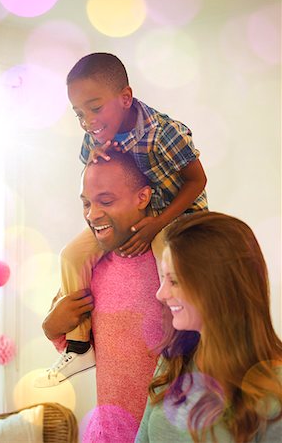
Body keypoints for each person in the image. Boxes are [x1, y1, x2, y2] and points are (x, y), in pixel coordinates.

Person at [36, 52, 208, 387]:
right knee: (71, 255)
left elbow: (196, 181)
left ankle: (182, 343)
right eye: (79, 113)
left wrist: (158, 223)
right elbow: (94, 185)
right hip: (130, 215)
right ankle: (79, 344)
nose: (87, 121)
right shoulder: (93, 138)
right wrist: (95, 162)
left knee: (164, 256)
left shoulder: (162, 132)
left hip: (177, 214)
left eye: (95, 108)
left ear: (125, 98)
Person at [36, 152, 164, 442]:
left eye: (105, 201)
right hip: (108, 434)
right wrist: (52, 328)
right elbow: (81, 347)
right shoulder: (91, 269)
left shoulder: (169, 267)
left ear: (142, 197)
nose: (92, 214)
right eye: (85, 203)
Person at [135, 212, 282, 443]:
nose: (160, 293)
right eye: (163, 278)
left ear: (217, 287)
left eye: (174, 281)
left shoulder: (275, 388)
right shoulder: (174, 360)